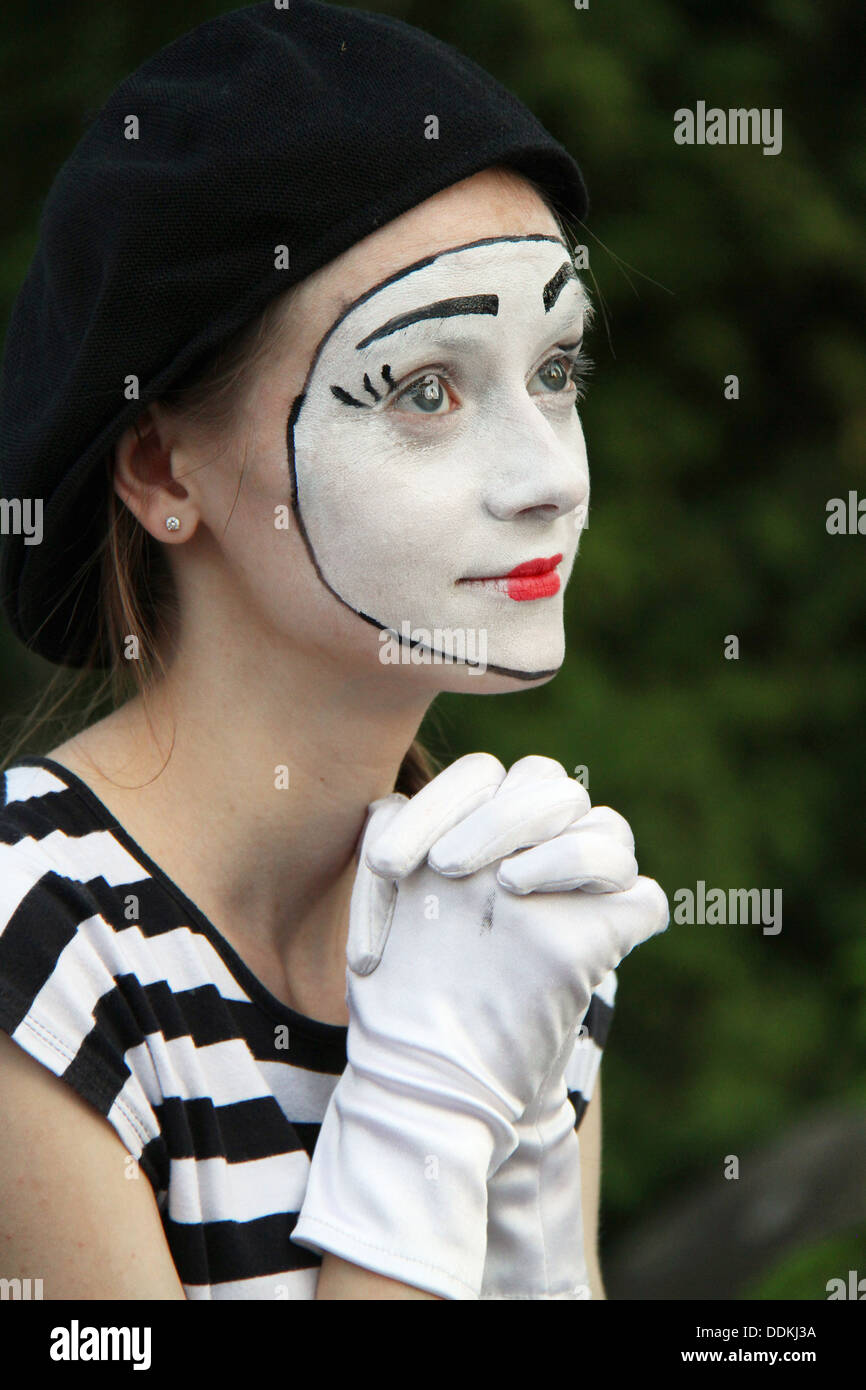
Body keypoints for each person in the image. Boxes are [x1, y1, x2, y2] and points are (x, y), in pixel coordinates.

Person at [0, 1, 667, 1300]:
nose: (547, 479)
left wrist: (526, 1197)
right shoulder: (36, 946)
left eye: (557, 368)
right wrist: (429, 1102)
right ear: (159, 466)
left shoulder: (500, 924)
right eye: (425, 389)